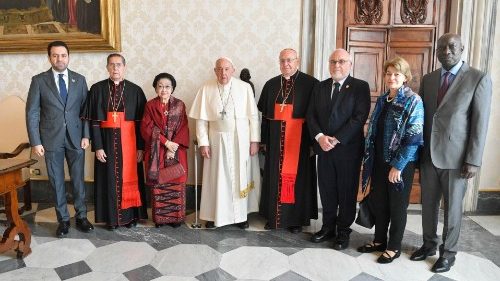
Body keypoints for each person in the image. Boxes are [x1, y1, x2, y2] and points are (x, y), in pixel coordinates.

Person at [410, 33, 492, 273]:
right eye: (442, 47)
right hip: (428, 156)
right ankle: (428, 245)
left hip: (457, 159)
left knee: (453, 208)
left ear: (462, 49)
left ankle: (449, 253)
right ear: (436, 51)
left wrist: (473, 160)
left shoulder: (478, 78)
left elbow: (480, 123)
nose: (447, 51)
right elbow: (424, 118)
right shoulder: (429, 79)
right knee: (428, 206)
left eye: (452, 47)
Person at [357, 57, 424, 263]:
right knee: (380, 203)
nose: (391, 77)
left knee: (397, 206)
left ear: (405, 77)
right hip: (378, 160)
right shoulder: (383, 98)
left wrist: (398, 166)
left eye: (396, 74)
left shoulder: (414, 100)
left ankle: (394, 247)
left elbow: (414, 137)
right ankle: (378, 241)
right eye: (388, 73)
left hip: (400, 164)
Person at [26, 40, 93, 237]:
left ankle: (81, 217)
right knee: (56, 181)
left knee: (78, 180)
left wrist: (86, 135)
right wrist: (36, 141)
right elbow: (32, 113)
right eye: (55, 55)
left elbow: (85, 111)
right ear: (49, 58)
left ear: (68, 57)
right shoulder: (39, 80)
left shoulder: (79, 80)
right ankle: (63, 220)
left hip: (76, 138)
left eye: (63, 55)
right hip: (50, 139)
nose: (59, 59)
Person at [307, 49, 371, 249]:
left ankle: (343, 231)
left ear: (350, 64)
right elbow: (311, 116)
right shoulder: (320, 87)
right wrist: (319, 137)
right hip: (323, 149)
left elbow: (359, 117)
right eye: (333, 61)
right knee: (327, 191)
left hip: (348, 151)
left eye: (341, 61)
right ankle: (327, 228)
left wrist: (336, 139)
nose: (337, 65)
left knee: (345, 192)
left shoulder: (360, 87)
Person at [188, 57, 260, 229]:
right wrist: (204, 143)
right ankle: (214, 216)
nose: (223, 73)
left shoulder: (244, 88)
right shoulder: (206, 88)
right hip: (216, 141)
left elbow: (253, 117)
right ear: (215, 71)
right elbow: (201, 120)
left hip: (239, 140)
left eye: (226, 69)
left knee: (239, 177)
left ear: (233, 70)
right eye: (219, 69)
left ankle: (241, 216)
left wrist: (254, 140)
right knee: (216, 178)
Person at [82, 53, 148, 230]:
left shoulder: (135, 90)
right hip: (107, 142)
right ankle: (111, 219)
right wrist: (98, 147)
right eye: (111, 65)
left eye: (118, 65)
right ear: (107, 68)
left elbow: (141, 123)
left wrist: (141, 148)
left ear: (124, 67)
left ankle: (131, 217)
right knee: (108, 180)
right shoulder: (97, 89)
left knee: (130, 177)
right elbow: (94, 121)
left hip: (130, 142)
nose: (115, 68)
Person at [257, 48, 319, 233]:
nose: (286, 64)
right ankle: (273, 217)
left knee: (298, 179)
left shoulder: (311, 84)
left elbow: (316, 117)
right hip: (276, 142)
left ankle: (295, 219)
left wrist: (313, 145)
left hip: (300, 143)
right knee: (274, 178)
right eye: (282, 60)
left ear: (297, 61)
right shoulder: (271, 85)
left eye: (290, 60)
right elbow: (265, 118)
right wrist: (264, 141)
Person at [141, 73, 189, 228]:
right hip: (157, 152)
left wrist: (172, 147)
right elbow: (146, 128)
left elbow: (183, 128)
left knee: (176, 183)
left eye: (167, 86)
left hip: (177, 150)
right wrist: (165, 142)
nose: (164, 90)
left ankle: (176, 218)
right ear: (155, 88)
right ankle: (160, 218)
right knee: (159, 184)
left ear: (172, 88)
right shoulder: (150, 105)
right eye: (160, 86)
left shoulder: (180, 105)